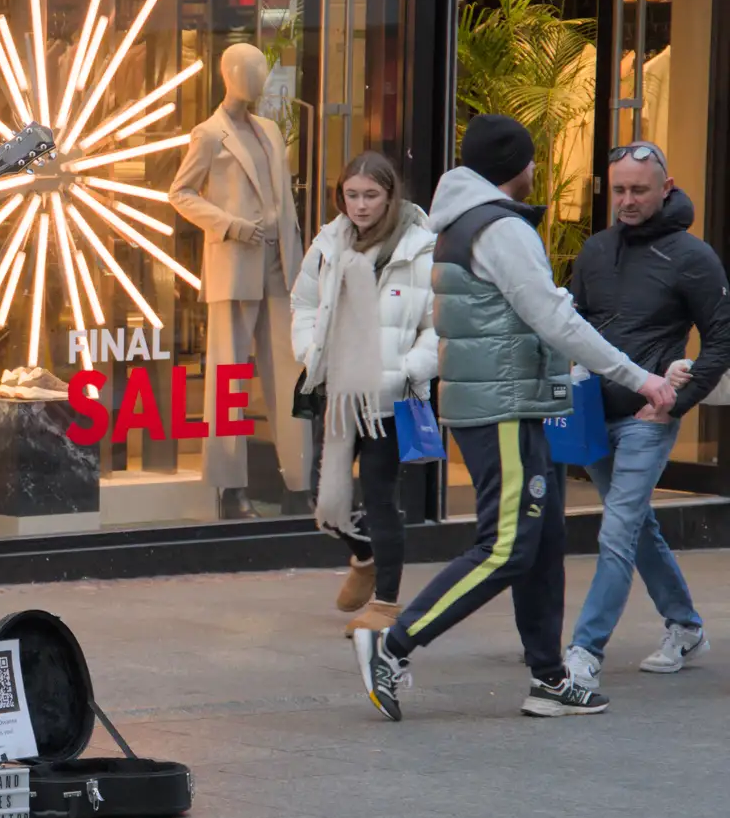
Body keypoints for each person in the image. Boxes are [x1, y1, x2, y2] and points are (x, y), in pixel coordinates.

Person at [352, 113, 677, 722]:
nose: (536, 172)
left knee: (543, 539)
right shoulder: (499, 228)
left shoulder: (466, 219)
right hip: (502, 407)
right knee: (506, 545)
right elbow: (553, 318)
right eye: (531, 162)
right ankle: (393, 645)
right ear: (516, 167)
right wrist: (641, 378)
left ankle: (549, 679)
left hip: (509, 402)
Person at [561, 143, 730, 688]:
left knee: (616, 530)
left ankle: (584, 652)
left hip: (646, 416)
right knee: (636, 529)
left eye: (639, 189)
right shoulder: (595, 250)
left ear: (666, 186)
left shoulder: (692, 256)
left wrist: (676, 401)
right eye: (619, 190)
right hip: (594, 414)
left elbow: (723, 339)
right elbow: (575, 324)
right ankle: (684, 625)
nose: (628, 200)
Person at [290, 151, 437, 637]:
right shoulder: (329, 242)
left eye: (370, 195)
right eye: (351, 195)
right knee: (328, 502)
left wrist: (408, 370)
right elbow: (305, 301)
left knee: (379, 497)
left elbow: (436, 327)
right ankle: (364, 557)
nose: (360, 205)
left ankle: (388, 603)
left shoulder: (420, 246)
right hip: (338, 390)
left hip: (390, 398)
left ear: (390, 194)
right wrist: (311, 354)